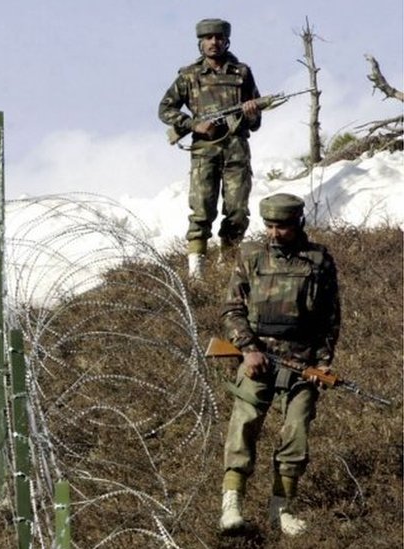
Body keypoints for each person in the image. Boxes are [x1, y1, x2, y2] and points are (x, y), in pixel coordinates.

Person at [217, 193, 341, 536]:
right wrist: (248, 349)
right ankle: (232, 505)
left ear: (298, 223)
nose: (275, 233)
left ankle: (281, 509)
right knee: (243, 426)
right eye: (269, 226)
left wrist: (323, 363)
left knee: (296, 433)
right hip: (258, 359)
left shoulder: (319, 260)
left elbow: (330, 319)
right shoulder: (250, 257)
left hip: (301, 363)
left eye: (282, 226)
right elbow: (232, 309)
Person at [158, 18, 263, 278]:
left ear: (226, 40)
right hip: (205, 151)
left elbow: (256, 120)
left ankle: (227, 264)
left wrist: (251, 112)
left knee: (238, 211)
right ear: (200, 43)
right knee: (202, 210)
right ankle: (197, 272)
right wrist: (194, 125)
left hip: (236, 149)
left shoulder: (242, 73)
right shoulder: (189, 75)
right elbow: (165, 109)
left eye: (218, 37)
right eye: (208, 38)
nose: (213, 42)